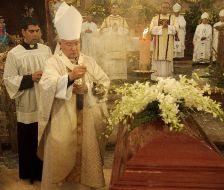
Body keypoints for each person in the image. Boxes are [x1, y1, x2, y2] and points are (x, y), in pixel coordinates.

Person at [38, 2, 110, 190]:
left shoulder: (89, 62)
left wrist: (88, 87)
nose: (73, 48)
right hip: (63, 120)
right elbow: (46, 86)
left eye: (76, 43)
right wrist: (69, 78)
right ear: (60, 44)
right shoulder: (53, 63)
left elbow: (104, 82)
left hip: (87, 122)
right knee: (60, 155)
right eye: (69, 44)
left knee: (86, 157)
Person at [3, 17, 52, 183]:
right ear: (23, 32)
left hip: (44, 101)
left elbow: (54, 71)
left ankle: (45, 173)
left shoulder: (46, 50)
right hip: (27, 103)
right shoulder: (14, 54)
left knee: (44, 137)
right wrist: (30, 77)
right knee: (29, 138)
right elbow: (8, 79)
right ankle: (29, 173)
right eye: (31, 31)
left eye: (37, 31)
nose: (35, 34)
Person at [150, 2, 179, 80]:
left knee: (167, 58)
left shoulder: (173, 18)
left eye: (166, 7)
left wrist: (168, 27)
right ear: (160, 8)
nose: (164, 9)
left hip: (168, 43)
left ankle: (167, 76)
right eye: (163, 7)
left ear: (168, 9)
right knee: (158, 57)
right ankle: (157, 76)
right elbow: (151, 30)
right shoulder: (155, 18)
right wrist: (161, 27)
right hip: (158, 44)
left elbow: (176, 29)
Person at [100, 3, 129, 80]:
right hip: (110, 45)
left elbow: (126, 30)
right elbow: (102, 31)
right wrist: (111, 29)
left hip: (120, 45)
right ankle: (110, 78)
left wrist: (118, 29)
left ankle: (120, 78)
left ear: (119, 9)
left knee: (119, 61)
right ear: (111, 9)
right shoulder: (106, 20)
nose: (115, 10)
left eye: (116, 8)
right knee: (110, 61)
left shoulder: (122, 20)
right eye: (113, 8)